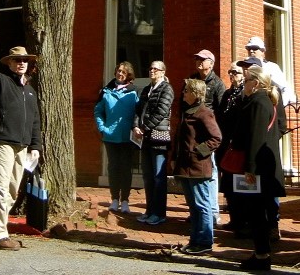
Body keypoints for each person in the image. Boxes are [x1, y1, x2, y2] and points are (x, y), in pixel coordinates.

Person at [0, 37, 41, 250]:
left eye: (24, 60)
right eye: (17, 60)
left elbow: (35, 121)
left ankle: (1, 230)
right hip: (3, 143)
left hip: (22, 146)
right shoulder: (2, 82)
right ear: (10, 64)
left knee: (13, 190)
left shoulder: (30, 92)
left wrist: (35, 147)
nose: (21, 63)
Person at [229, 65, 284, 272]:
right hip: (258, 166)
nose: (244, 83)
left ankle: (262, 255)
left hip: (258, 168)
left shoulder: (260, 102)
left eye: (247, 80)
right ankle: (260, 252)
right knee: (255, 212)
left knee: (257, 212)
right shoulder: (256, 100)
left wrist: (250, 168)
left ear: (257, 82)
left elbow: (256, 137)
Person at [173, 78, 222, 254]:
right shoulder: (187, 112)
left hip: (198, 167)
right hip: (185, 167)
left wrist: (198, 151)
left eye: (187, 90)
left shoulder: (204, 113)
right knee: (193, 206)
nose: (184, 93)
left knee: (203, 205)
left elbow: (216, 138)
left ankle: (205, 242)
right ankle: (194, 240)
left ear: (195, 93)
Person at [182, 49, 225, 223]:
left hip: (208, 132)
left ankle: (213, 211)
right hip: (191, 130)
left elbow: (221, 109)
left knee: (211, 172)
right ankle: (195, 211)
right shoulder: (192, 80)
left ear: (211, 63)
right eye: (197, 59)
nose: (199, 62)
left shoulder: (217, 83)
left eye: (202, 59)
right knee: (192, 175)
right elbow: (182, 104)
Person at [93, 61, 138, 214]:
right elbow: (98, 111)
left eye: (124, 72)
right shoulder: (105, 91)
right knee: (113, 168)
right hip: (110, 136)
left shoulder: (133, 92)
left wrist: (135, 128)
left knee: (126, 169)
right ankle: (114, 199)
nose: (120, 74)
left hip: (127, 137)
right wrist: (102, 127)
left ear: (128, 75)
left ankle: (125, 200)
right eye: (119, 71)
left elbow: (138, 114)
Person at [133, 60, 174, 225]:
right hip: (145, 139)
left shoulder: (167, 89)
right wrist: (136, 126)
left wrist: (144, 127)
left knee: (158, 177)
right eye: (150, 68)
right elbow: (138, 110)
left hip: (159, 138)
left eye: (155, 69)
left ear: (163, 72)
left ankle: (159, 213)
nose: (152, 71)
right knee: (148, 177)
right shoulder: (146, 90)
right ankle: (149, 210)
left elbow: (161, 112)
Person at [216, 60, 247, 233]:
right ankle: (234, 218)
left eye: (236, 72)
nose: (232, 76)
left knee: (238, 184)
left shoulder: (244, 94)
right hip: (225, 144)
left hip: (238, 145)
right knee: (227, 184)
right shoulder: (228, 94)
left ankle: (242, 221)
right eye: (231, 72)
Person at [244, 36, 296, 104]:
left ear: (263, 51)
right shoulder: (245, 67)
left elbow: (285, 89)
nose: (251, 51)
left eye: (254, 48)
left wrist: (277, 107)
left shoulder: (271, 67)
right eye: (249, 48)